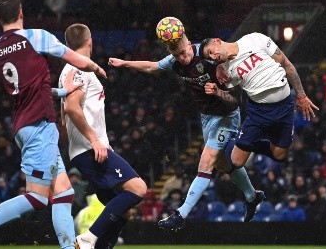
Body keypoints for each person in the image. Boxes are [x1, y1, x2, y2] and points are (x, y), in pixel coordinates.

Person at [0, 0, 106, 249]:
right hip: (39, 126)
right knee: (37, 198)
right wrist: (96, 68)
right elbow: (77, 60)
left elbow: (28, 88)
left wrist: (62, 92)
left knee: (63, 191)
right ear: (22, 13)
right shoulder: (35, 36)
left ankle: (68, 247)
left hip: (25, 123)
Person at [108, 19, 264, 231]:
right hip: (206, 117)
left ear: (188, 41)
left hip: (227, 116)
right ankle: (252, 196)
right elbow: (153, 67)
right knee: (220, 164)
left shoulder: (209, 55)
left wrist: (218, 92)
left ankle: (181, 214)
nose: (183, 58)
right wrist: (125, 63)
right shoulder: (175, 62)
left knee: (206, 161)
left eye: (184, 52)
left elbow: (236, 100)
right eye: (178, 56)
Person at [59, 23, 147, 249]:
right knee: (138, 189)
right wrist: (95, 140)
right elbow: (72, 108)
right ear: (90, 41)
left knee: (123, 213)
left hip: (87, 148)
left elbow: (64, 115)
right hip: (90, 148)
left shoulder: (71, 70)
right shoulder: (78, 69)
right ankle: (88, 238)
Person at [200, 33, 319, 171]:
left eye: (211, 51)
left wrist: (301, 96)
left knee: (280, 156)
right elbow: (235, 100)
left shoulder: (254, 39)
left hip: (285, 107)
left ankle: (253, 142)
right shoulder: (225, 71)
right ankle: (222, 145)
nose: (214, 57)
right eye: (211, 58)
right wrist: (218, 93)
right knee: (237, 161)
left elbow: (286, 63)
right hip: (260, 111)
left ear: (217, 41)